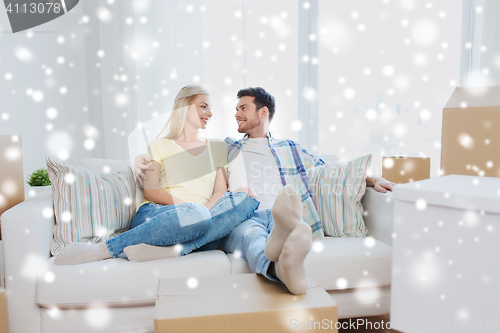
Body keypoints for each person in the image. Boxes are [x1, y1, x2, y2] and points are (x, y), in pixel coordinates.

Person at [134, 87, 396, 295]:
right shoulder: (227, 147)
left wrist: (370, 179)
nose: (236, 113)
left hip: (284, 211)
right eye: (236, 108)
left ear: (263, 113)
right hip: (246, 216)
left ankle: (285, 241)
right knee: (250, 236)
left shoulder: (290, 147)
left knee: (290, 221)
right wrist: (139, 160)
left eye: (243, 108)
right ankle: (277, 266)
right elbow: (185, 153)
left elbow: (327, 170)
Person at [54, 85, 259, 265]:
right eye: (203, 106)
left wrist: (203, 213)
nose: (210, 113)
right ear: (185, 108)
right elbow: (151, 190)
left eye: (210, 107)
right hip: (159, 214)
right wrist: (193, 211)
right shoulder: (160, 145)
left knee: (248, 200)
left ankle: (174, 249)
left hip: (202, 218)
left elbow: (220, 190)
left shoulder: (218, 147)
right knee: (200, 219)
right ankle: (103, 250)